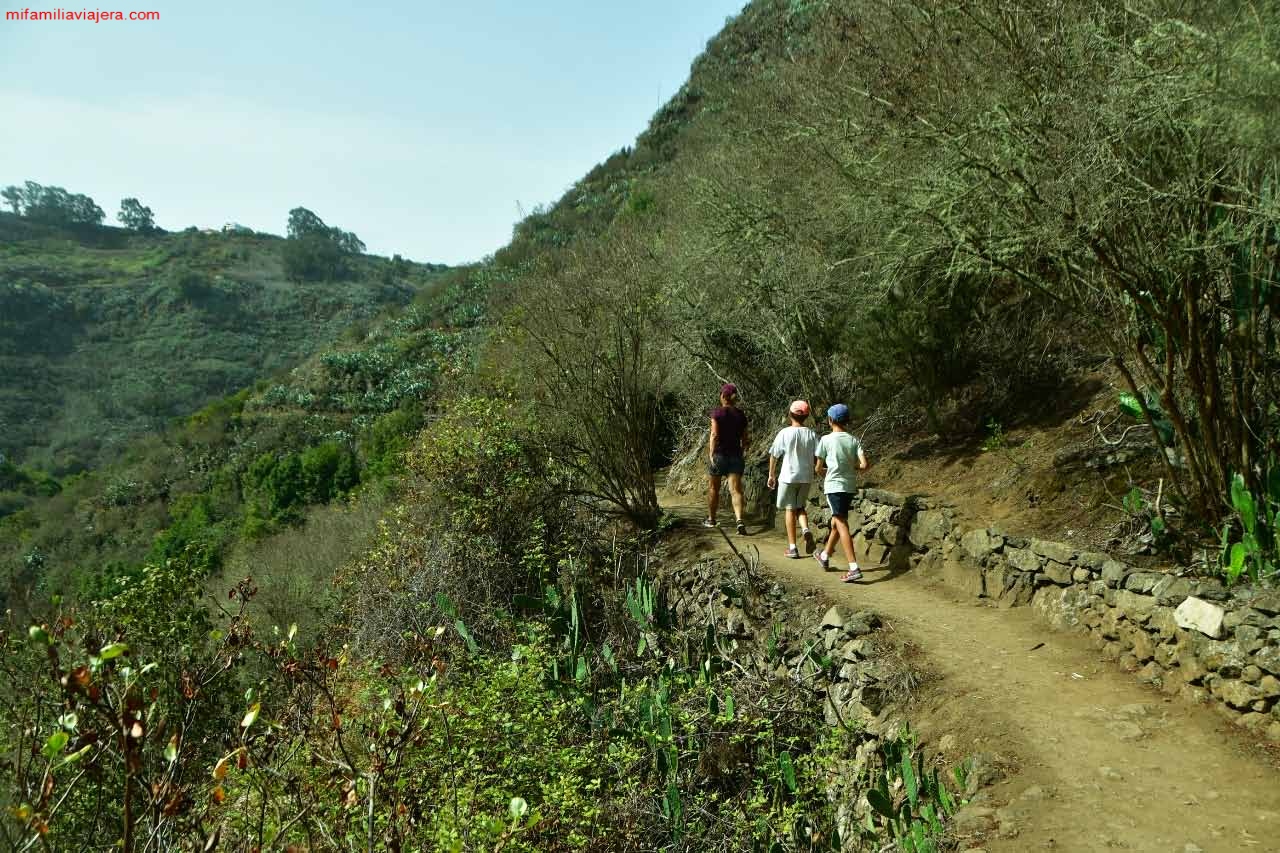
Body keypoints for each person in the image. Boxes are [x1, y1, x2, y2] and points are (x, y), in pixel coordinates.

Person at [813, 403, 868, 582]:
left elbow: (818, 468)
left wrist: (827, 472)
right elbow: (864, 465)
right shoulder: (853, 440)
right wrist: (849, 466)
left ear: (830, 420)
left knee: (841, 522)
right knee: (838, 521)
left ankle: (853, 567)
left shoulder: (826, 440)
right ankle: (825, 556)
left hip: (833, 486)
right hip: (849, 487)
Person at [767, 400, 818, 558]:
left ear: (790, 415)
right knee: (800, 507)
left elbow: (774, 454)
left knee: (790, 509)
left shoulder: (784, 433)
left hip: (788, 477)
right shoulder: (812, 434)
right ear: (807, 416)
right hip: (806, 477)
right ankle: (805, 529)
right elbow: (819, 456)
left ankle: (793, 548)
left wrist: (771, 474)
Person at [705, 383, 749, 535]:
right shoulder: (741, 414)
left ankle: (711, 519)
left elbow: (714, 435)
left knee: (713, 489)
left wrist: (711, 453)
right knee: (736, 490)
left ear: (723, 396)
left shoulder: (717, 413)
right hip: (735, 455)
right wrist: (742, 451)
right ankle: (739, 521)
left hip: (719, 455)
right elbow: (745, 438)